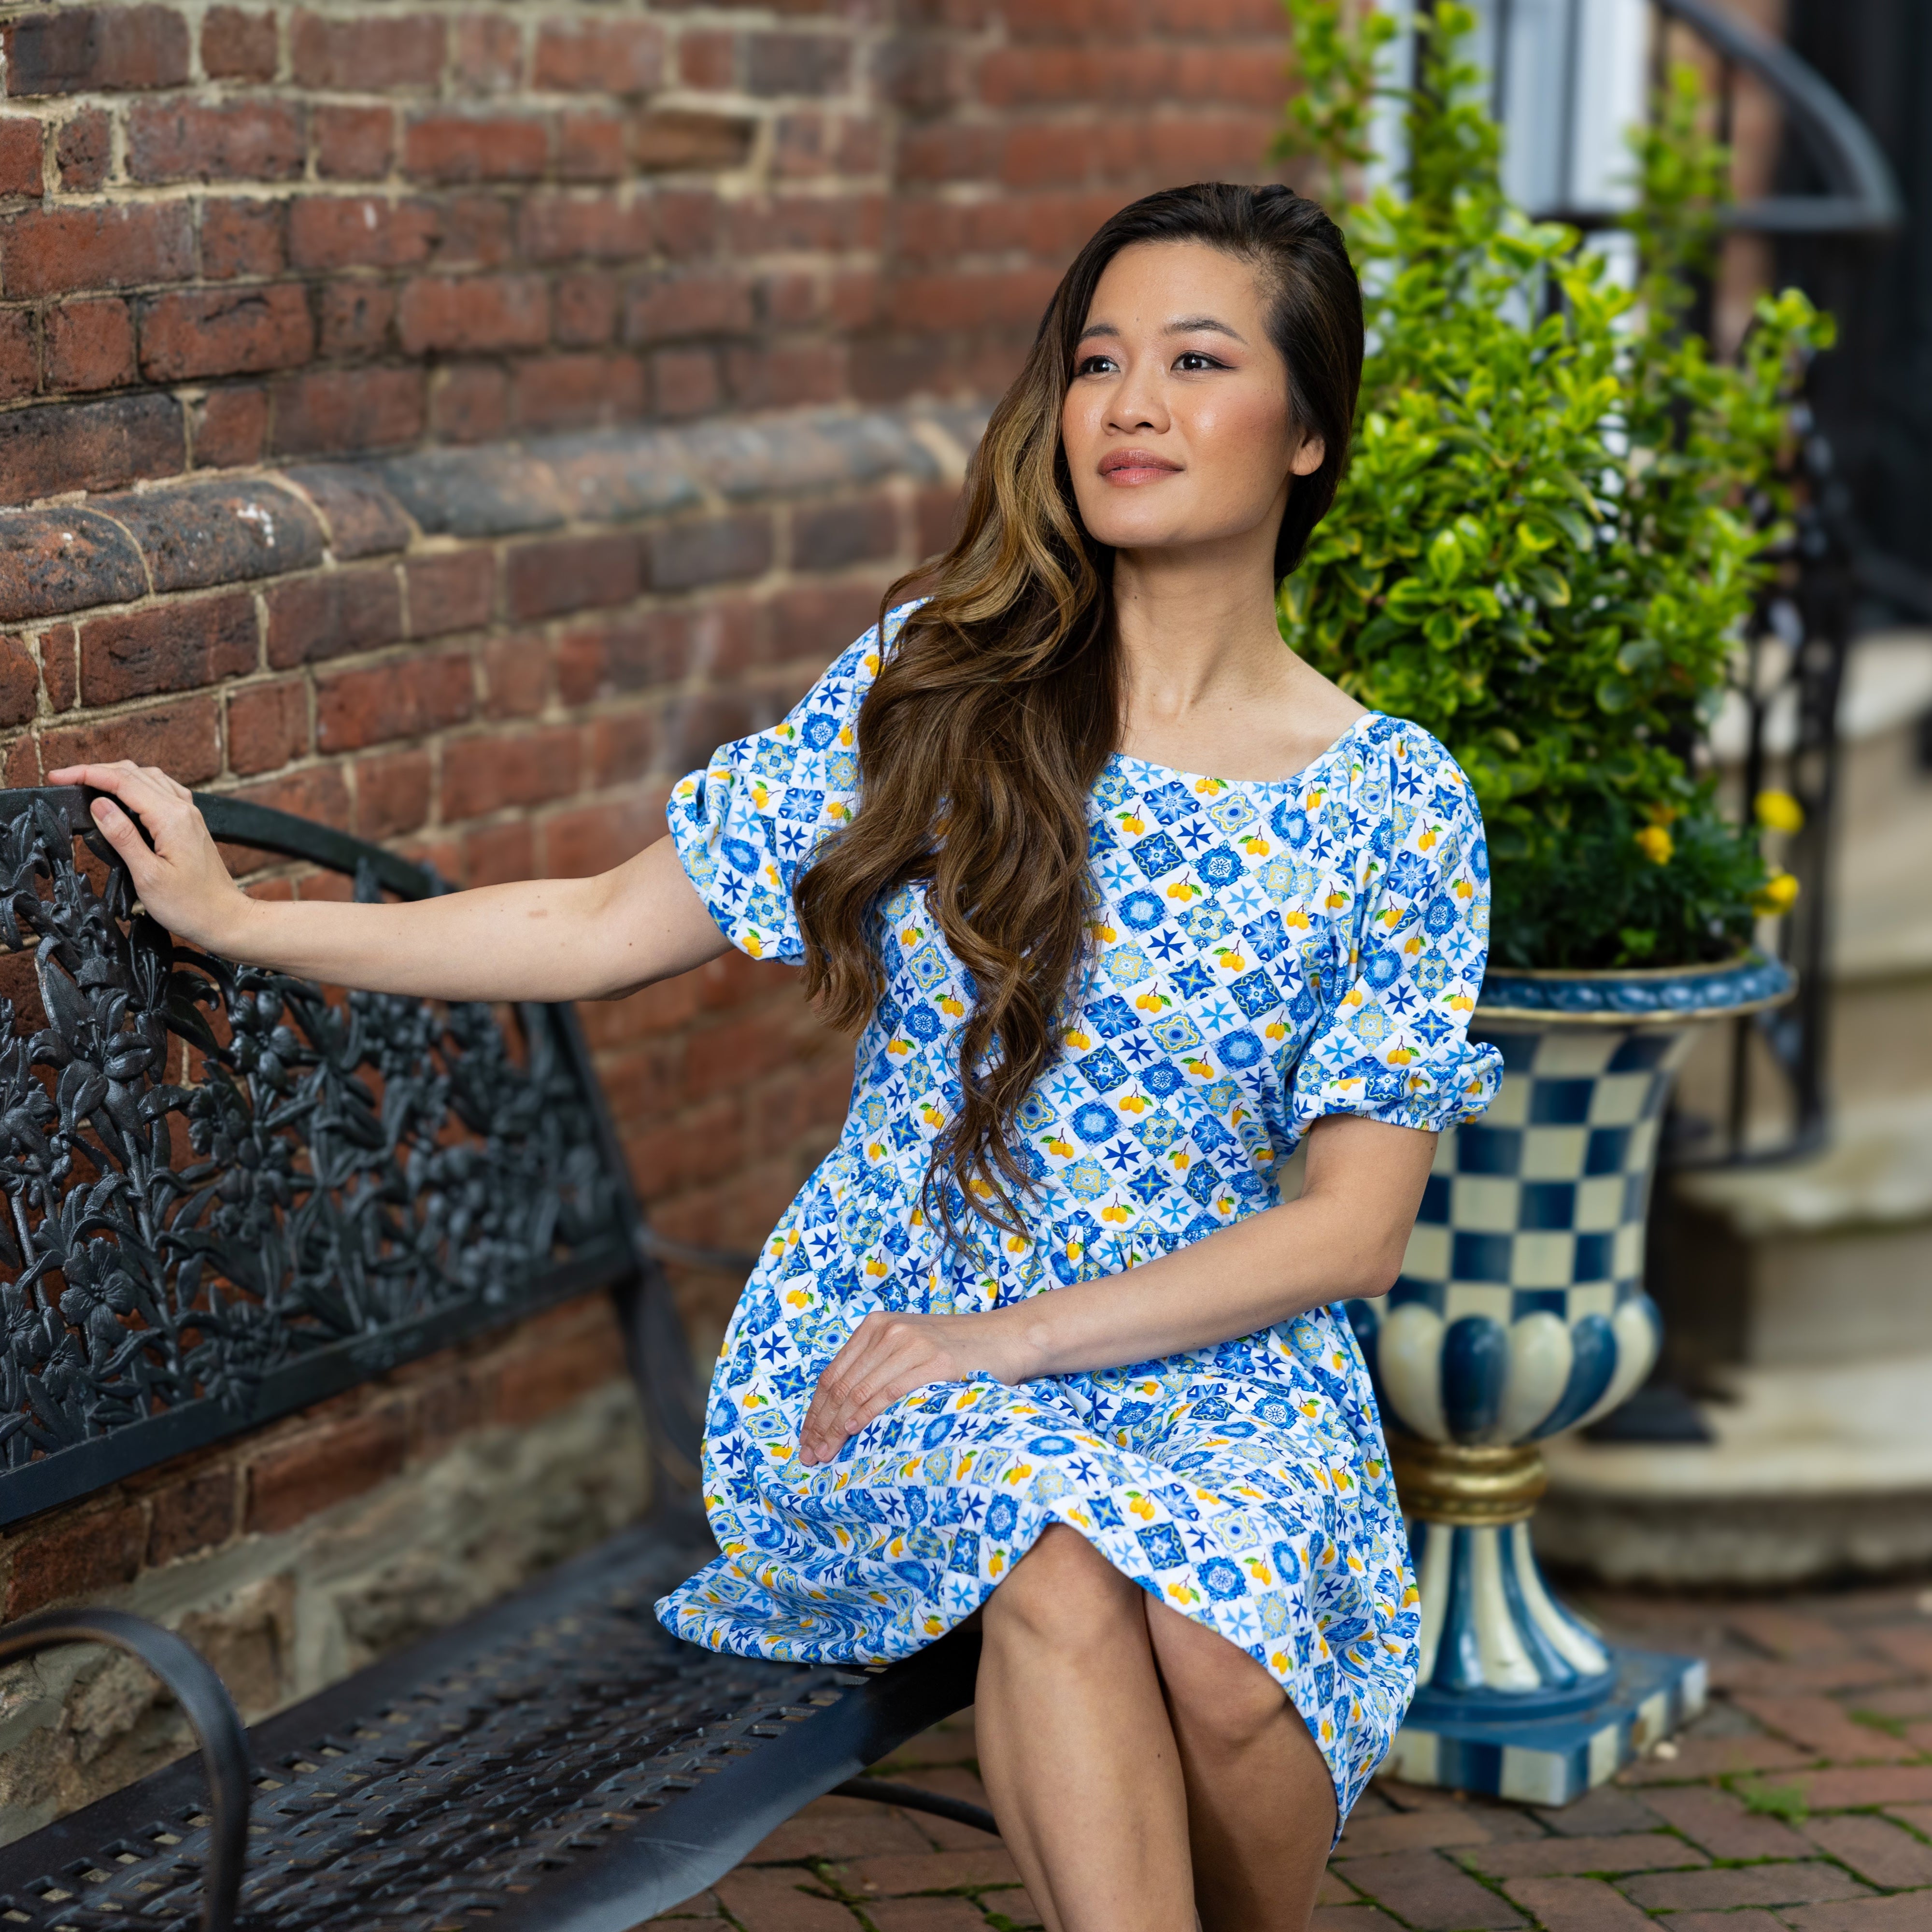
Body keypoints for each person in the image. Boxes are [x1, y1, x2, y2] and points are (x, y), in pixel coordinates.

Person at [57, 182, 1503, 1932]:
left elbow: (1351, 1235)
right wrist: (246, 921)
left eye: (1199, 362)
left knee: (1219, 1650)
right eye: (1100, 361)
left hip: (1213, 1353)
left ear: (1310, 432)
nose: (1130, 406)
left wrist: (1017, 1340)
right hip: (899, 1325)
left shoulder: (1392, 801)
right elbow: (599, 925)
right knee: (1056, 1556)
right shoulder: (940, 690)